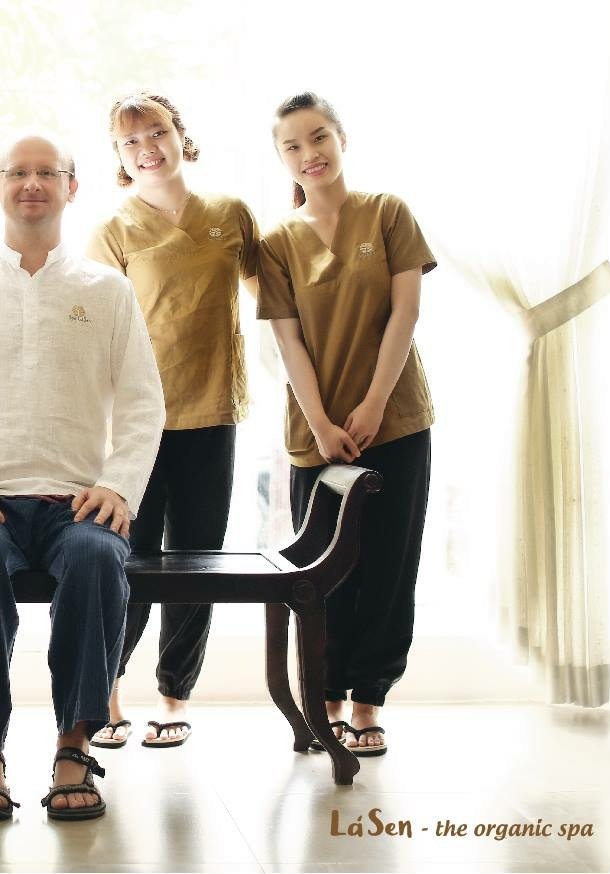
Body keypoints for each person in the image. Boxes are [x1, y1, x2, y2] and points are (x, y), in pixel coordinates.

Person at [0, 133, 165, 821]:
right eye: (18, 172)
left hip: (76, 498)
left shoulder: (106, 290)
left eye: (49, 172)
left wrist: (118, 485)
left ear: (73, 188)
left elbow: (142, 402)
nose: (33, 184)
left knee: (98, 556)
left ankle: (75, 743)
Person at [256, 92, 435, 757]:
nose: (310, 154)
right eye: (293, 146)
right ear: (281, 160)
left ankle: (368, 704)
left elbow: (405, 314)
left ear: (341, 138)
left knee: (389, 567)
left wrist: (374, 405)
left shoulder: (387, 213)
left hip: (397, 423)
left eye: (319, 137)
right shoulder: (277, 242)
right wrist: (325, 423)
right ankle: (321, 703)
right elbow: (288, 342)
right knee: (326, 576)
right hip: (317, 436)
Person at [88, 92, 260, 750]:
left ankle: (174, 695)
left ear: (180, 135)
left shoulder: (231, 215)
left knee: (197, 563)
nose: (146, 147)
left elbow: (273, 300)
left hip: (213, 411)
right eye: (130, 141)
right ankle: (104, 691)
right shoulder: (114, 231)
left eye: (155, 132)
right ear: (120, 157)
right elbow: (94, 332)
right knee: (126, 562)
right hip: (135, 422)